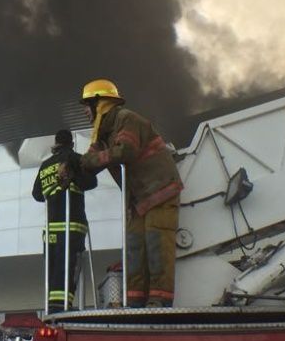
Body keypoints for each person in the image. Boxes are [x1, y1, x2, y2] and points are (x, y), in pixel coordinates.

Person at [66, 79, 182, 308]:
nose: (84, 112)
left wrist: (90, 160)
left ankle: (159, 301)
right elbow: (89, 162)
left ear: (100, 104)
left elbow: (126, 151)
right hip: (138, 200)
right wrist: (71, 168)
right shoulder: (103, 135)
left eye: (86, 106)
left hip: (160, 191)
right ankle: (136, 301)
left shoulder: (127, 120)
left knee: (156, 245)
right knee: (135, 248)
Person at [33, 129, 98, 313]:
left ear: (56, 144)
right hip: (71, 226)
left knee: (53, 270)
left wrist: (52, 189)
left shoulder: (45, 165)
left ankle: (52, 308)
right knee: (69, 268)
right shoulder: (75, 159)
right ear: (71, 144)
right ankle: (62, 308)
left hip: (51, 230)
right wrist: (73, 178)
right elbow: (90, 183)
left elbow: (37, 194)